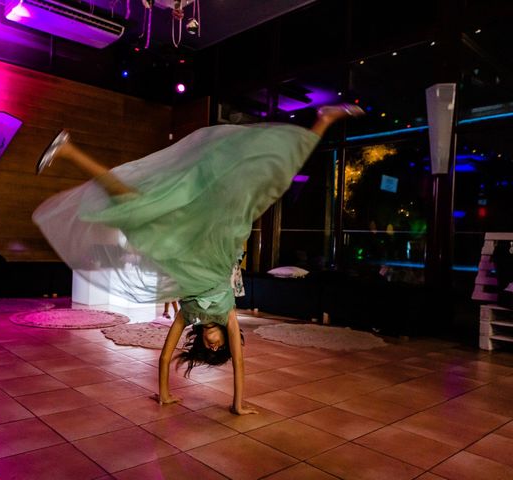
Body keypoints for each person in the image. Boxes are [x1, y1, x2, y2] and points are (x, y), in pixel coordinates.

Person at [33, 104, 363, 415]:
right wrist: (238, 404)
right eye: (222, 348)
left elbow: (164, 358)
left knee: (128, 202)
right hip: (211, 237)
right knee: (268, 183)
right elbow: (241, 365)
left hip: (179, 243)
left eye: (213, 349)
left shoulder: (189, 316)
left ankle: (67, 149)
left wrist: (164, 393)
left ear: (204, 347)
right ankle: (324, 119)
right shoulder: (227, 314)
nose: (216, 345)